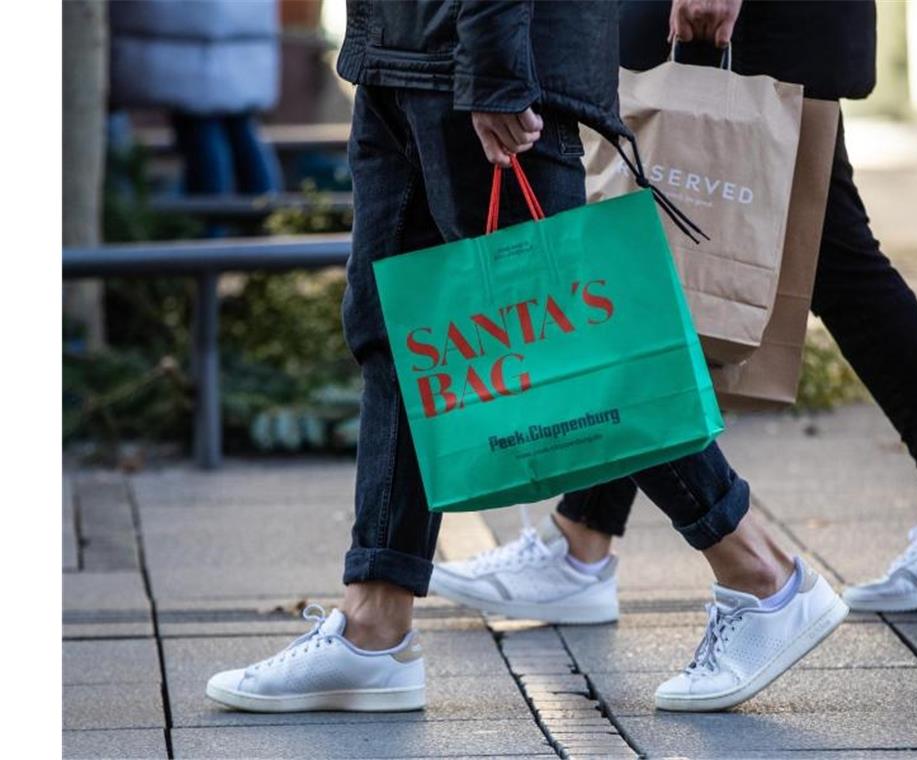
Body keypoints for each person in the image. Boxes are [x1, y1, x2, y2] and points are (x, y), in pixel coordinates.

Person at [206, 0, 847, 715]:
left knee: (578, 349)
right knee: (399, 335)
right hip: (399, 55)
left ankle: (765, 576)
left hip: (484, 57)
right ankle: (372, 628)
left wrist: (495, 67)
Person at [432, 0, 917, 623]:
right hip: (746, 28)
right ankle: (581, 542)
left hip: (745, 26)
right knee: (690, 265)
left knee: (788, 257)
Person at [108, 0, 283, 195]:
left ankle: (213, 219)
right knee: (236, 129)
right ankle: (264, 213)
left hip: (194, 46)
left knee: (205, 133)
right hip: (228, 44)